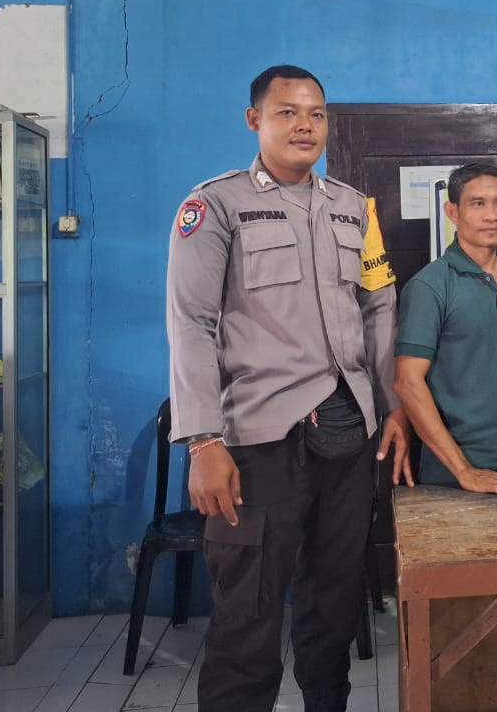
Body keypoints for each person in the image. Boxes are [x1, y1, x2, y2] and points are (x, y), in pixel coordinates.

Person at [166, 64, 411, 712]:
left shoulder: (354, 208)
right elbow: (191, 323)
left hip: (347, 434)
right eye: (287, 112)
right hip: (257, 440)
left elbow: (378, 307)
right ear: (255, 119)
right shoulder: (215, 206)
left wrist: (390, 406)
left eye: (316, 114)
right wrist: (201, 441)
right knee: (247, 614)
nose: (305, 125)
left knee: (334, 604)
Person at [394, 164, 497, 495]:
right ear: (453, 212)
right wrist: (466, 472)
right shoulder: (430, 286)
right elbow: (408, 382)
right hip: (454, 476)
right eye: (477, 203)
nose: (491, 215)